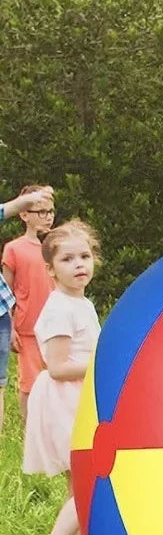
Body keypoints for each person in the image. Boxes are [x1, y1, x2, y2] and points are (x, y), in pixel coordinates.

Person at [22, 219, 101, 535]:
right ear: (51, 269)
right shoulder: (60, 309)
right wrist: (103, 360)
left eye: (84, 256)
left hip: (78, 397)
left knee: (80, 483)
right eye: (68, 259)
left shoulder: (79, 302)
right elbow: (56, 367)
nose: (79, 264)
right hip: (63, 399)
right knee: (87, 481)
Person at [0, 185, 55, 439]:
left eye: (50, 211)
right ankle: (29, 431)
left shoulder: (57, 248)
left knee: (54, 380)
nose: (47, 216)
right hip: (27, 327)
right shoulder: (14, 249)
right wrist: (10, 327)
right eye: (40, 211)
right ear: (24, 214)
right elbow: (7, 291)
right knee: (29, 384)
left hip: (55, 327)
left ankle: (51, 430)